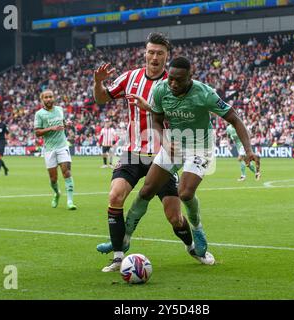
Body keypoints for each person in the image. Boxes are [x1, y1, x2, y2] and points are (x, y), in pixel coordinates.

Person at [93, 33, 211, 272]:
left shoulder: (175, 83)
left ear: (167, 57)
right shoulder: (130, 77)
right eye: (151, 52)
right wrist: (98, 82)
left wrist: (153, 110)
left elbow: (185, 116)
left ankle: (193, 248)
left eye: (160, 53)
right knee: (115, 196)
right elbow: (102, 99)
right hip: (132, 151)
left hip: (163, 155)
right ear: (144, 53)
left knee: (174, 216)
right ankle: (118, 256)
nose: (155, 57)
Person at [126, 56, 260, 266]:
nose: (173, 84)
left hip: (200, 147)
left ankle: (197, 229)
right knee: (146, 191)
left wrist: (248, 149)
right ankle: (123, 238)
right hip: (173, 146)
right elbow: (156, 119)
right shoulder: (161, 90)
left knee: (185, 193)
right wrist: (162, 139)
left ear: (190, 76)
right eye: (171, 78)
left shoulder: (205, 93)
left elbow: (234, 118)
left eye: (179, 80)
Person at [34, 89, 77, 210]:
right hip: (49, 149)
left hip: (62, 146)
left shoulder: (59, 109)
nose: (48, 99)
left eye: (50, 97)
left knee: (66, 172)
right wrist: (51, 128)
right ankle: (57, 193)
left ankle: (70, 201)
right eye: (46, 97)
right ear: (42, 100)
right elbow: (37, 132)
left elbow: (62, 123)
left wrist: (66, 124)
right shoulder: (39, 114)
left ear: (54, 98)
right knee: (53, 178)